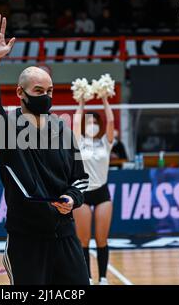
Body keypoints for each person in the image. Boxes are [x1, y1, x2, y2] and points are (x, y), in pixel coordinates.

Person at [0, 14, 90, 285]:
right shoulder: (5, 128)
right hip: (26, 240)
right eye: (39, 90)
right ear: (20, 92)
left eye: (50, 91)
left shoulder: (63, 129)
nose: (46, 96)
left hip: (65, 237)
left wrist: (72, 199)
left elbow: (80, 178)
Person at [72, 97, 115, 285]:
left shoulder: (106, 142)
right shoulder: (78, 141)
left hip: (102, 193)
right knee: (83, 241)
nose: (92, 125)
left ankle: (103, 277)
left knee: (102, 239)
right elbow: (75, 120)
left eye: (95, 122)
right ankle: (87, 277)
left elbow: (111, 120)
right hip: (82, 193)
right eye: (89, 122)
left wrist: (104, 98)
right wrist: (81, 101)